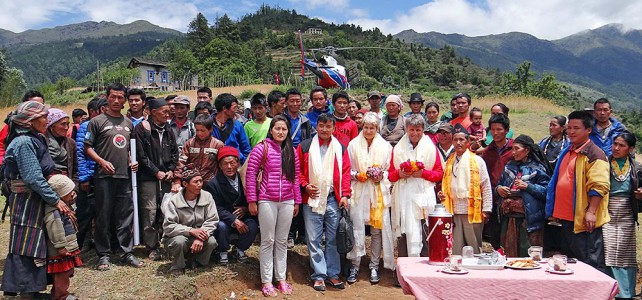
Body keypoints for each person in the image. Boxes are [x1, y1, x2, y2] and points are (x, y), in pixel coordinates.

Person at [1, 101, 71, 298]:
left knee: (38, 243)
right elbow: (33, 178)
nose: (46, 120)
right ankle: (28, 292)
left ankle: (36, 289)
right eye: (42, 117)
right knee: (27, 243)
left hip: (34, 199)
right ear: (30, 122)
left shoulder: (35, 138)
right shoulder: (23, 143)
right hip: (26, 203)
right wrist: (56, 200)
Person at [84, 83, 142, 270]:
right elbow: (87, 147)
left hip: (124, 177)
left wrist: (131, 160)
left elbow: (127, 149)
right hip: (103, 177)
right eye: (113, 97)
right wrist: (101, 162)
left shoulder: (128, 123)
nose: (116, 101)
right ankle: (104, 254)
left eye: (120, 97)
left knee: (125, 215)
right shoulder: (97, 121)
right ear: (107, 98)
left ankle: (126, 251)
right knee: (103, 215)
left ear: (124, 100)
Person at [545, 110, 610, 273]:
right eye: (569, 128)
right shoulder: (567, 150)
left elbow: (599, 185)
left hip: (584, 221)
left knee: (588, 264)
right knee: (570, 264)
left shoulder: (595, 154)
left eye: (576, 128)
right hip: (567, 219)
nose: (571, 131)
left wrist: (591, 212)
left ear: (588, 130)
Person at [246, 115, 302, 297]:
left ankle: (282, 278)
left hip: (287, 200)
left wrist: (297, 201)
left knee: (282, 241)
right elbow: (250, 175)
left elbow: (295, 177)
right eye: (277, 128)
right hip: (266, 200)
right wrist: (252, 200)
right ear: (271, 130)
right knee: (268, 240)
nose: (280, 132)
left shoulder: (291, 151)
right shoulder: (261, 148)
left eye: (284, 129)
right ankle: (267, 281)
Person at [297, 113, 351, 291]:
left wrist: (345, 194)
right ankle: (319, 275)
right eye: (321, 126)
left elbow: (346, 172)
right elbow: (298, 172)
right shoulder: (305, 147)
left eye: (329, 126)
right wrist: (305, 186)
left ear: (334, 128)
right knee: (313, 239)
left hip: (333, 200)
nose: (325, 129)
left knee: (333, 238)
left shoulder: (340, 148)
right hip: (312, 199)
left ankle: (333, 274)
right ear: (316, 127)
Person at [346, 112, 394, 284]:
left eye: (372, 128)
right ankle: (355, 265)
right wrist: (357, 175)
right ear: (362, 127)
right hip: (358, 191)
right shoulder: (353, 145)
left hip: (377, 192)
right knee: (356, 228)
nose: (368, 130)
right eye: (365, 127)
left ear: (377, 128)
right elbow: (347, 170)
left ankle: (374, 266)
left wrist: (381, 175)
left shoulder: (386, 147)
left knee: (376, 231)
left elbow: (389, 170)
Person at [389, 114, 443, 257]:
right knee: (404, 234)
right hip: (403, 199)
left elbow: (439, 174)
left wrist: (423, 173)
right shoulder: (398, 149)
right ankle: (403, 272)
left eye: (418, 130)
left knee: (424, 233)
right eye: (412, 129)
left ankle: (423, 273)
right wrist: (399, 174)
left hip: (423, 199)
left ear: (423, 130)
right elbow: (389, 175)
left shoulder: (431, 148)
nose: (415, 133)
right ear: (406, 129)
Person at [134, 98, 179, 260]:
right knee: (150, 211)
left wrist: (171, 170)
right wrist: (155, 172)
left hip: (167, 177)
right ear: (153, 112)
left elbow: (175, 152)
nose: (168, 114)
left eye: (168, 111)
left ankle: (168, 242)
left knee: (167, 209)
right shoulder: (141, 129)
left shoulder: (168, 128)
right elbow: (141, 155)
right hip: (148, 178)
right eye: (164, 111)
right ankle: (152, 246)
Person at [439, 124, 492, 255]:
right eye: (455, 140)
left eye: (462, 139)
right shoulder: (449, 162)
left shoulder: (477, 161)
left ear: (468, 141)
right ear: (452, 142)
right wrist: (442, 194)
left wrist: (486, 210)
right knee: (456, 249)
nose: (458, 143)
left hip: (472, 211)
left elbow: (485, 185)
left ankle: (475, 274)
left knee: (473, 248)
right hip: (454, 211)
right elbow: (446, 185)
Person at [496, 135, 552, 257]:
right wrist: (499, 189)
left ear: (527, 150)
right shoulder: (509, 166)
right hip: (509, 218)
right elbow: (499, 184)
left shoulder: (537, 169)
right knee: (508, 252)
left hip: (528, 219)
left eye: (517, 149)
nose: (513, 152)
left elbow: (546, 192)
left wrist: (528, 186)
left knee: (526, 252)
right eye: (512, 149)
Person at [204, 147, 259, 265]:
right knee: (221, 227)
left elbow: (251, 199)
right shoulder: (213, 184)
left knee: (253, 225)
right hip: (225, 218)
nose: (229, 167)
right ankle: (222, 252)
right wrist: (234, 220)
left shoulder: (244, 179)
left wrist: (245, 209)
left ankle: (239, 249)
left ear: (238, 163)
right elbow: (216, 208)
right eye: (225, 164)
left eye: (232, 163)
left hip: (243, 216)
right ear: (219, 166)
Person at [603, 132, 642, 299]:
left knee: (625, 251)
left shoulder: (637, 167)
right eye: (615, 144)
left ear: (631, 149)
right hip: (606, 209)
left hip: (627, 209)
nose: (616, 148)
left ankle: (626, 292)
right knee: (608, 249)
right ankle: (609, 290)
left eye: (622, 145)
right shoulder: (604, 162)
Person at [162, 168, 219, 275]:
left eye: (201, 181)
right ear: (185, 184)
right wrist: (191, 230)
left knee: (211, 241)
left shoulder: (207, 196)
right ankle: (178, 266)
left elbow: (212, 220)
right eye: (195, 182)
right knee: (179, 241)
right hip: (178, 237)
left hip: (199, 235)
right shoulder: (174, 200)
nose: (199, 184)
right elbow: (169, 226)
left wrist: (200, 236)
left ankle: (198, 263)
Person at [74, 97, 107, 250]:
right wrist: (84, 178)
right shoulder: (86, 126)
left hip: (103, 175)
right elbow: (81, 154)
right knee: (84, 214)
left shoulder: (107, 124)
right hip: (90, 176)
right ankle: (77, 247)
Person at [45, 175, 83, 300]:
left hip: (67, 246)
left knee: (66, 272)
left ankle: (57, 293)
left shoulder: (64, 207)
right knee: (62, 274)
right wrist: (61, 247)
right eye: (69, 192)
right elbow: (56, 230)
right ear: (60, 195)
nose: (72, 193)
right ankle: (60, 295)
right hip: (61, 250)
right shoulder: (54, 212)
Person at [481, 113, 514, 249]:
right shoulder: (488, 152)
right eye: (492, 129)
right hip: (494, 199)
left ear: (507, 130)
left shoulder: (515, 149)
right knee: (495, 238)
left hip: (512, 200)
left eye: (499, 129)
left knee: (511, 238)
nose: (495, 133)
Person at [174, 114, 224, 184]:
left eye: (202, 130)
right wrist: (177, 180)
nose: (199, 133)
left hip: (210, 183)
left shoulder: (218, 145)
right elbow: (181, 162)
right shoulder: (190, 143)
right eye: (197, 130)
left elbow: (222, 165)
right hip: (192, 183)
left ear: (211, 129)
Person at [0, 90, 45, 165]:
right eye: (33, 105)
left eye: (41, 105)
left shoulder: (45, 125)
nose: (38, 108)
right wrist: (3, 161)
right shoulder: (12, 126)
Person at [211, 93, 251, 164]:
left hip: (235, 166)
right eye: (234, 107)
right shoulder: (208, 124)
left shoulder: (237, 125)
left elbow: (246, 149)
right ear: (224, 108)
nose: (236, 110)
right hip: (214, 166)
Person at [46, 109, 79, 189]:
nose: (66, 128)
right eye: (63, 124)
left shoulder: (70, 143)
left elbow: (75, 169)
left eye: (68, 124)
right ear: (52, 125)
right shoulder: (42, 142)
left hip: (66, 185)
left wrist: (74, 189)